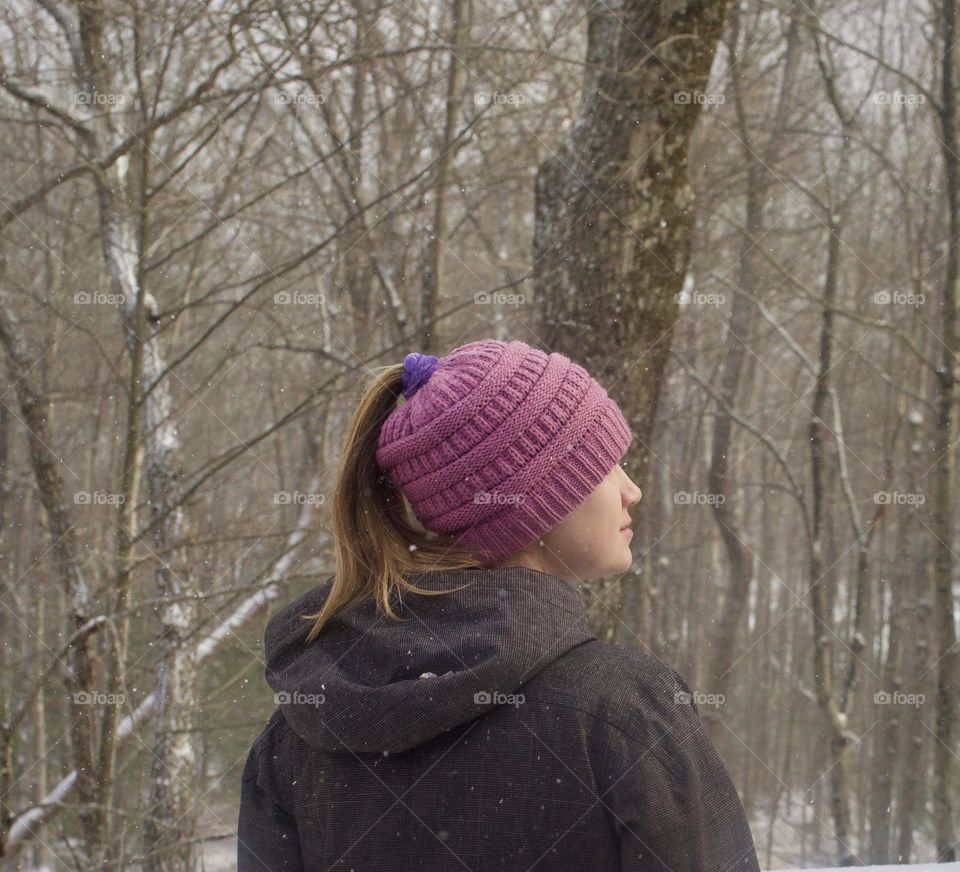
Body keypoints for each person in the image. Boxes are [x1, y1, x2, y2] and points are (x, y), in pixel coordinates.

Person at [238, 338, 761, 872]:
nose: (632, 491)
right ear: (536, 500)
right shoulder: (624, 710)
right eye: (607, 465)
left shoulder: (298, 734)